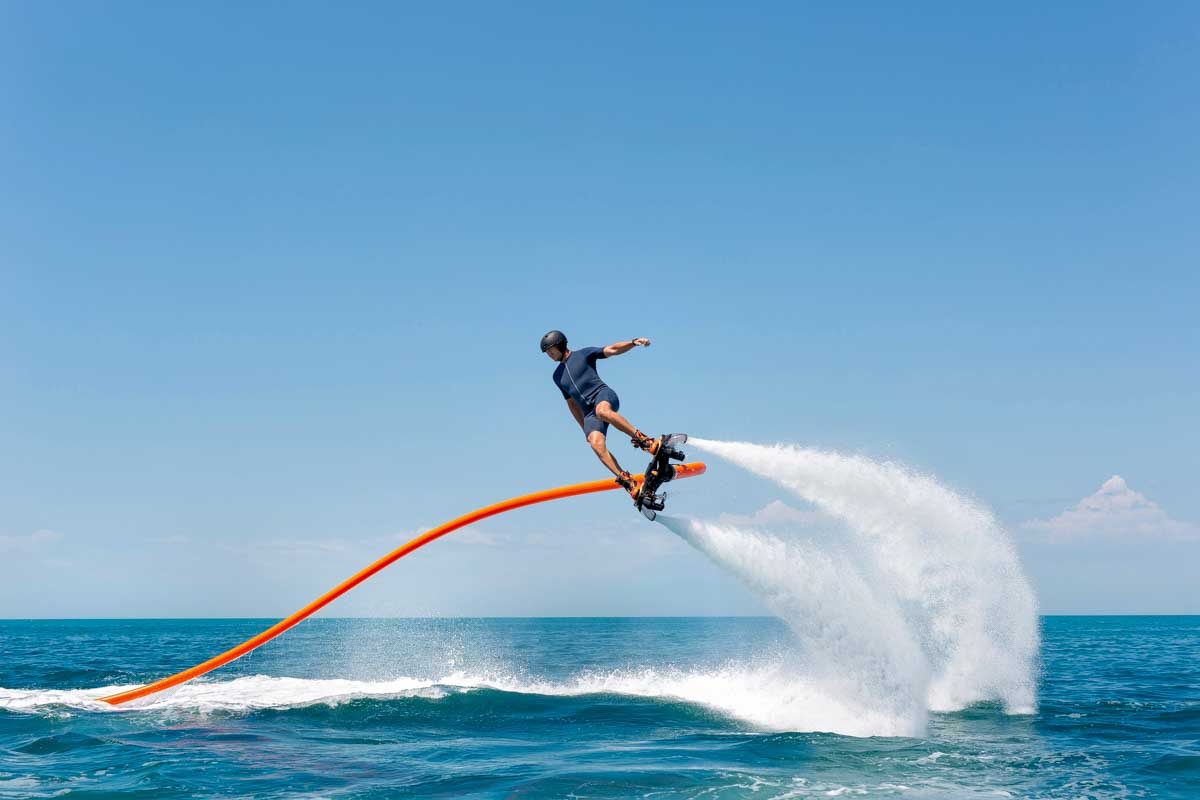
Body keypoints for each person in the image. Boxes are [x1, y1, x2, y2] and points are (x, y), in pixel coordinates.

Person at [540, 330, 663, 502]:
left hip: (603, 396)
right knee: (595, 443)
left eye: (551, 350)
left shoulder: (583, 354)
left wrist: (633, 342)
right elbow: (572, 404)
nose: (549, 355)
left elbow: (612, 349)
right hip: (589, 413)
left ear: (561, 345)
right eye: (547, 353)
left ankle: (644, 440)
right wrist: (584, 428)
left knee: (602, 411)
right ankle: (628, 481)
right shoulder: (557, 376)